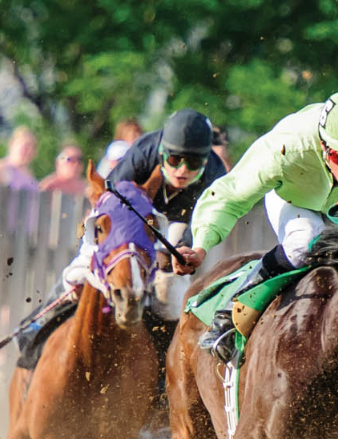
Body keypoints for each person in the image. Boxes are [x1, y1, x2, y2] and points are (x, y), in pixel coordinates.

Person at [183, 90, 338, 389]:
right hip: (295, 200)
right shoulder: (287, 144)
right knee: (305, 241)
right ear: (323, 147)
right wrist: (201, 244)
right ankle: (231, 315)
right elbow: (231, 194)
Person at [19, 108, 226, 400]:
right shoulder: (142, 153)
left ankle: (160, 382)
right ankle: (32, 343)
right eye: (175, 159)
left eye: (193, 163)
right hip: (125, 219)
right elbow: (109, 205)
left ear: (205, 160)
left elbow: (206, 222)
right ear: (162, 151)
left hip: (179, 228)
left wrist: (184, 250)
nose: (182, 170)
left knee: (168, 296)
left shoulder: (217, 176)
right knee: (78, 276)